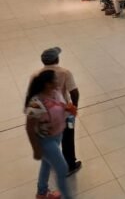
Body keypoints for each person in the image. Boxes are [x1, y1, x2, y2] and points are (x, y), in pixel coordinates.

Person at [30, 48, 81, 177]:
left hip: (45, 116)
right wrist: (74, 108)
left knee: (50, 140)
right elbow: (74, 93)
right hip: (64, 114)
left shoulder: (36, 76)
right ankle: (70, 165)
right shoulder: (65, 72)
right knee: (68, 138)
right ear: (57, 59)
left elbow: (33, 97)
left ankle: (54, 162)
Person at [25, 70, 75, 199]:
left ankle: (42, 193)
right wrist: (36, 149)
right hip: (45, 140)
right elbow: (29, 128)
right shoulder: (36, 102)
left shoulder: (55, 92)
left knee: (46, 164)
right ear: (47, 84)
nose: (57, 81)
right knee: (62, 168)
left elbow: (59, 105)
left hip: (57, 135)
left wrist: (67, 110)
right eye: (55, 79)